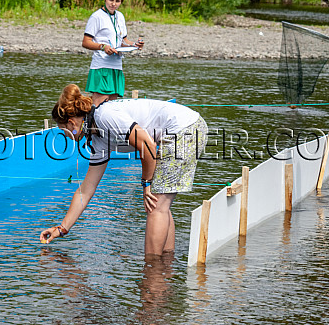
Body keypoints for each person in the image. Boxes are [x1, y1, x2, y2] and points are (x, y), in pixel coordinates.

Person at [40, 84, 207, 257]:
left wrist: (146, 183)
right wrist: (62, 228)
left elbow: (147, 145)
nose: (64, 136)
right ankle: (166, 261)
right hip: (186, 128)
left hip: (185, 129)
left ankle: (152, 271)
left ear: (71, 123)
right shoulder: (98, 139)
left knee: (155, 205)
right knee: (160, 204)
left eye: (63, 130)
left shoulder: (105, 116)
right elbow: (86, 190)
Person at [82, 0, 144, 105]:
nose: (113, 4)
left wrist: (135, 45)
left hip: (116, 66)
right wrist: (103, 47)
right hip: (101, 66)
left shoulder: (120, 16)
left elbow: (123, 41)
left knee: (111, 107)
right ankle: (91, 124)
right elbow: (86, 42)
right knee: (99, 105)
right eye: (111, 0)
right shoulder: (96, 17)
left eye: (117, 1)